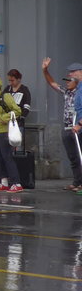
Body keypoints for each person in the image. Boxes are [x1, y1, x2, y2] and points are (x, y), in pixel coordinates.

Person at [41, 58, 82, 192]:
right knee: (73, 157)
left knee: (80, 155)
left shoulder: (79, 92)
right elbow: (52, 83)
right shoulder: (67, 92)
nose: (67, 81)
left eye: (70, 78)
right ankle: (76, 182)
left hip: (78, 128)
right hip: (67, 128)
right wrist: (45, 70)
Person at [3, 69, 32, 133]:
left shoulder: (24, 90)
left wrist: (21, 116)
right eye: (9, 80)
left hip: (18, 122)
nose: (10, 83)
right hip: (6, 121)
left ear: (18, 79)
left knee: (17, 140)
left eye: (12, 80)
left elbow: (27, 106)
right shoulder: (7, 89)